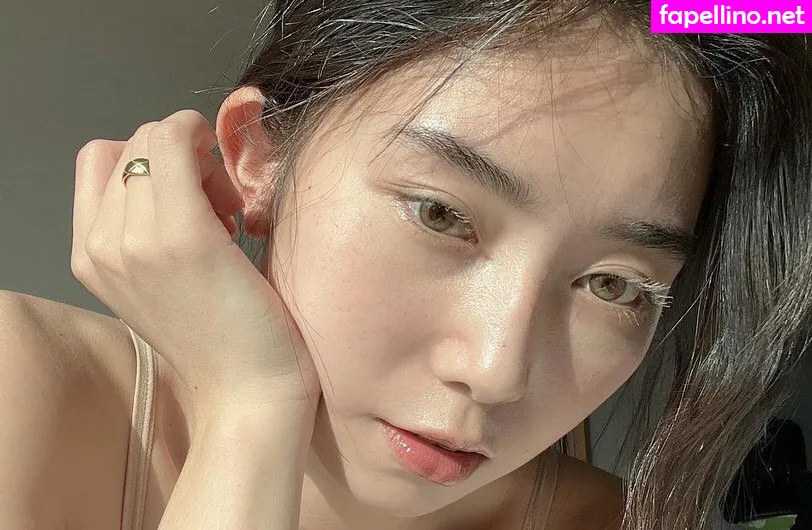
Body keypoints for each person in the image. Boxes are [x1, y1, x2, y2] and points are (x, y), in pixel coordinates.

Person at [1, 1, 810, 529]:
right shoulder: (20, 389)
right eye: (440, 214)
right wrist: (251, 409)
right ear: (258, 157)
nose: (496, 373)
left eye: (612, 284)